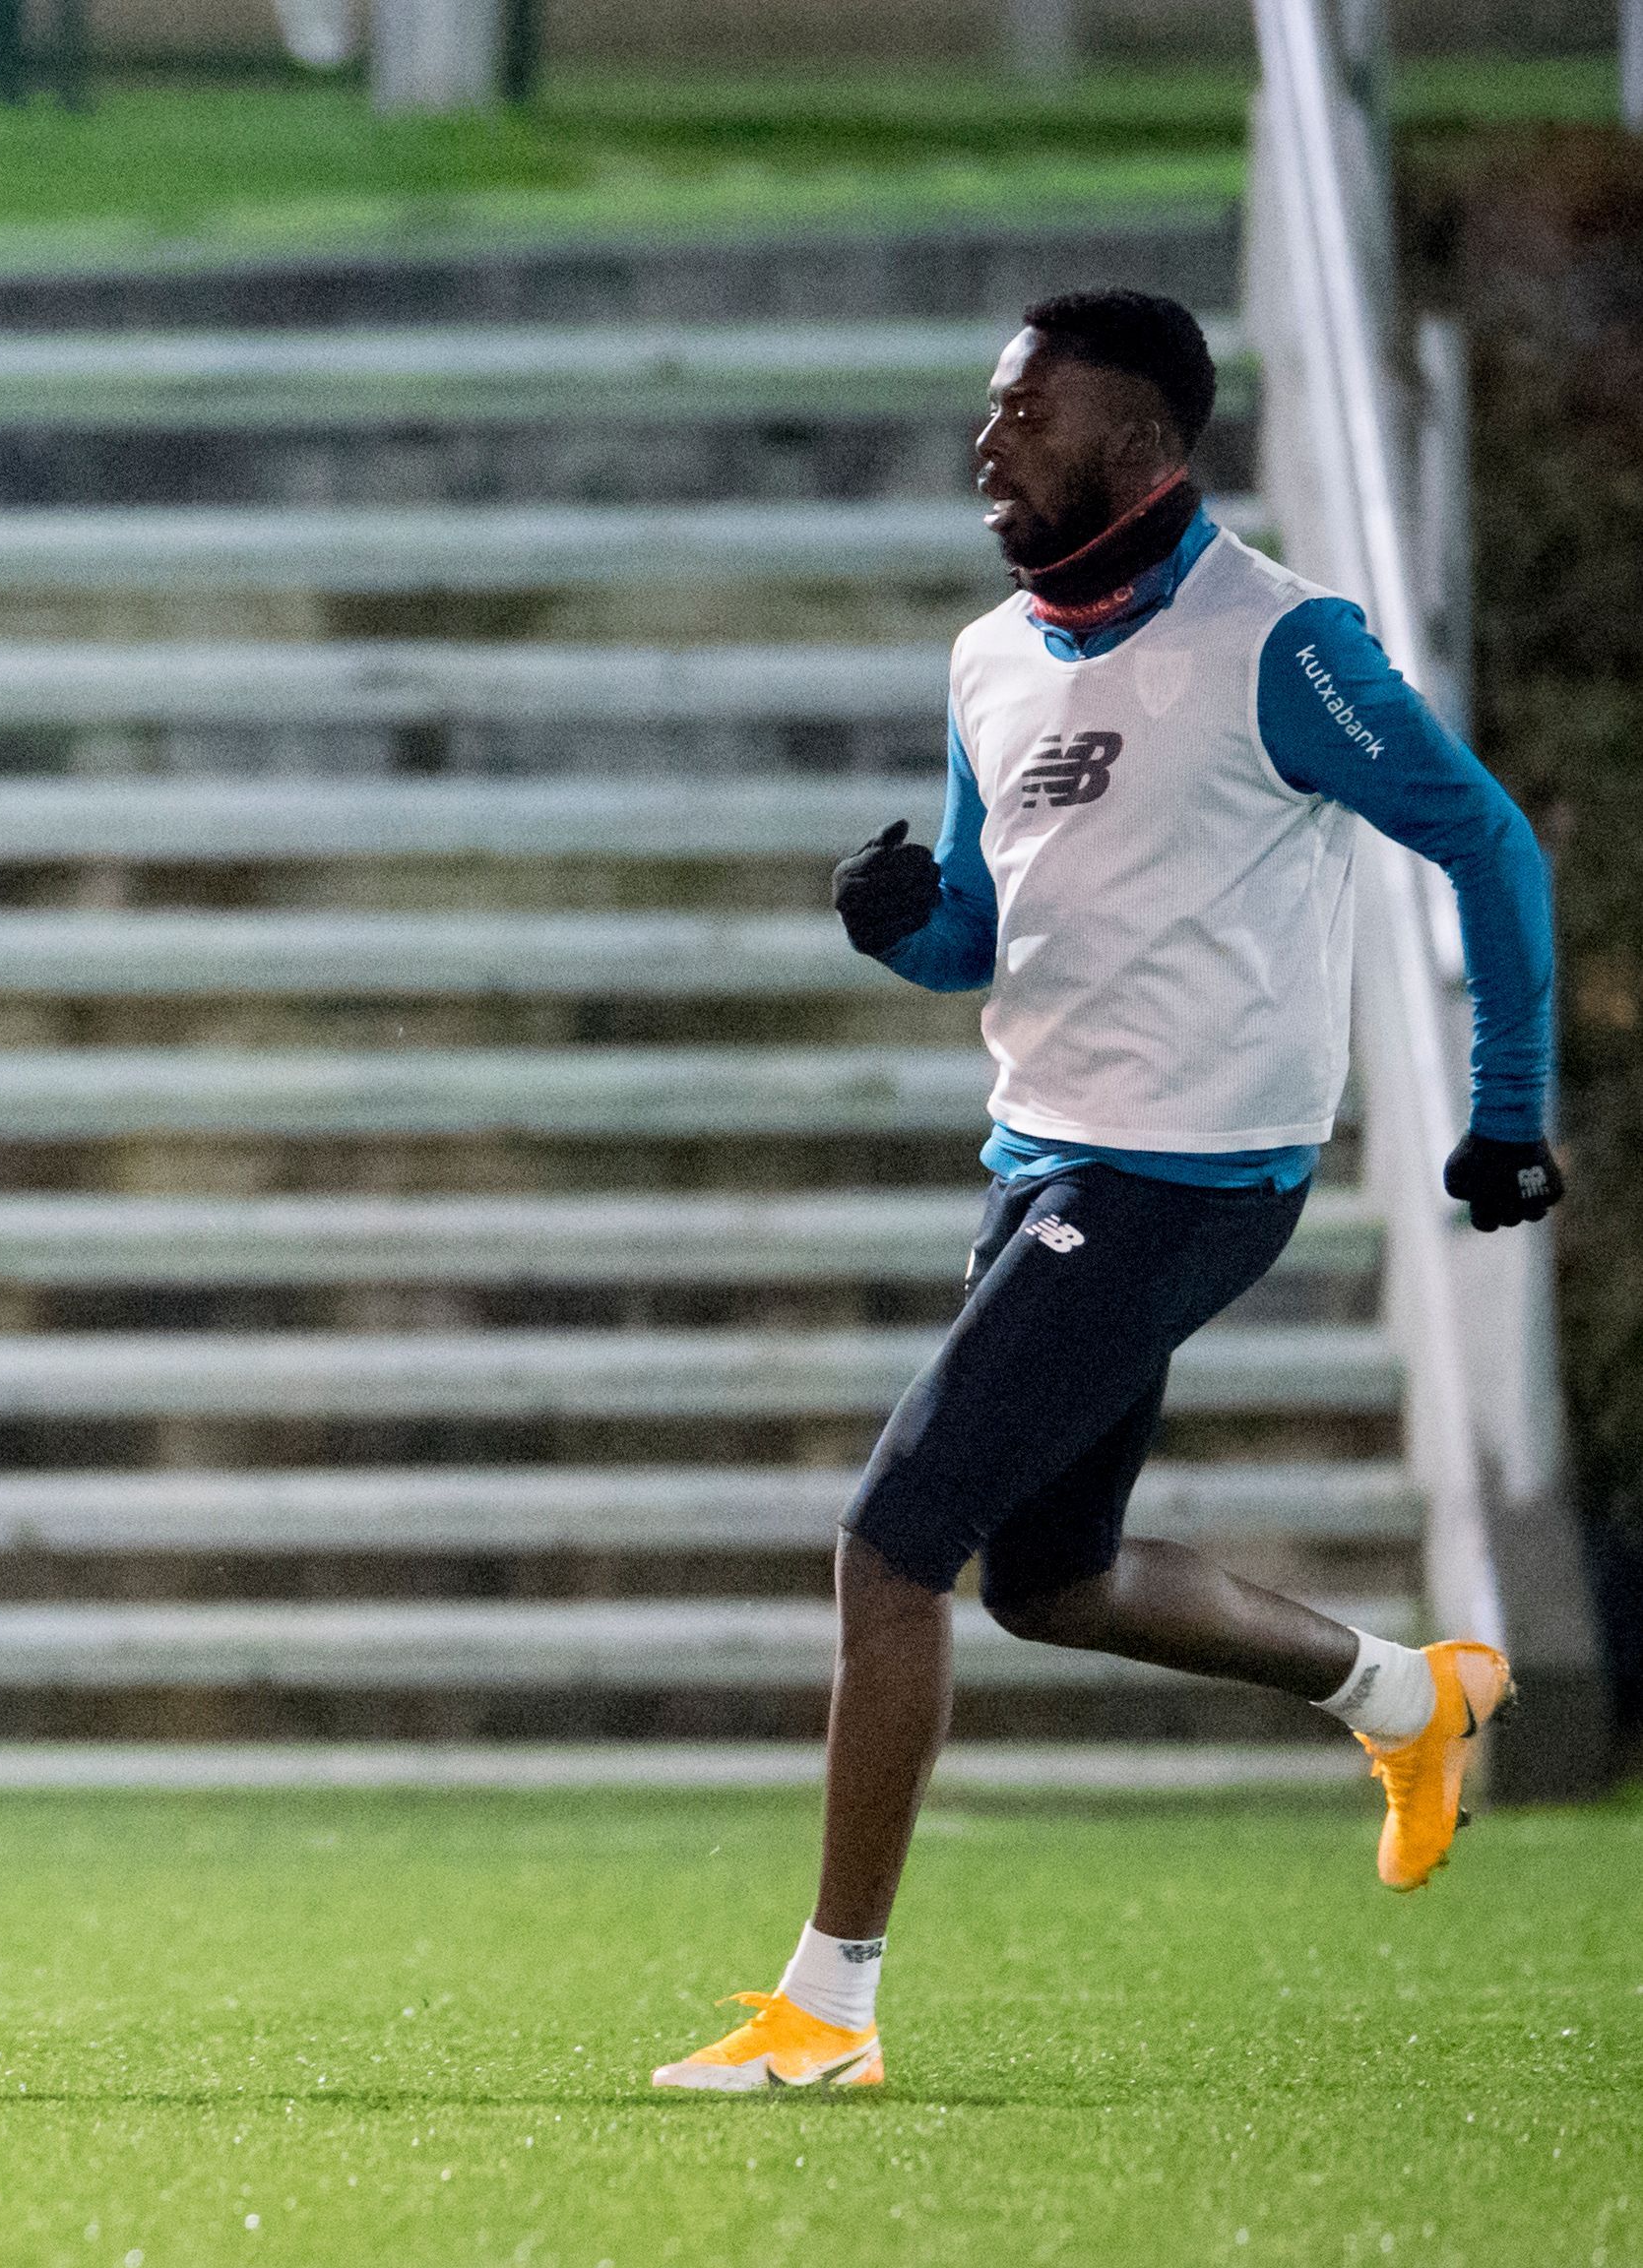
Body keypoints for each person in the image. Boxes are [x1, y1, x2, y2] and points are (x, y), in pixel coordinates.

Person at [656, 290, 1562, 2095]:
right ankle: (1410, 1693)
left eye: (1029, 414)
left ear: (1141, 440)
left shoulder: (1284, 644)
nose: (988, 443)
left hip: (1196, 1175)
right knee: (1049, 1580)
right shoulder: (989, 658)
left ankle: (829, 2010)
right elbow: (985, 934)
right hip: (1045, 1158)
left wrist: (1506, 1108)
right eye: (993, 411)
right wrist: (903, 928)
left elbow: (1489, 840)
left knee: (892, 1536)